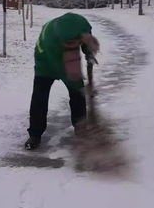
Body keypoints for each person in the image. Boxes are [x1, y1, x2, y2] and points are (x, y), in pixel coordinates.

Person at [25, 12, 100, 150]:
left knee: (77, 96)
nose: (76, 43)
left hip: (66, 53)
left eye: (76, 40)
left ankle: (81, 129)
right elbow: (62, 69)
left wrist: (88, 52)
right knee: (40, 96)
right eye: (71, 42)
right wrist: (80, 87)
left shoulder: (82, 25)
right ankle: (35, 134)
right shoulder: (51, 39)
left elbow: (85, 40)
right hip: (45, 60)